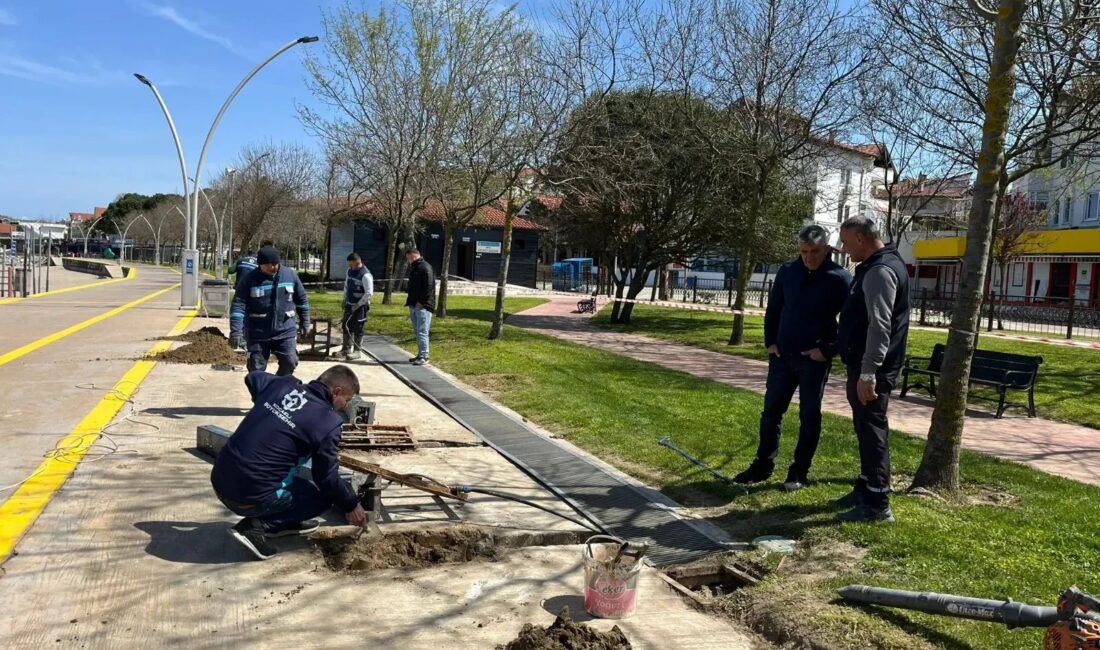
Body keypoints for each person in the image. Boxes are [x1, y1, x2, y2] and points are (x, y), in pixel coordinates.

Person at [733, 224, 852, 491]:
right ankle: (762, 464)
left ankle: (799, 472)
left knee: (809, 416)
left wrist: (828, 350)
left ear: (827, 249)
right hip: (782, 356)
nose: (809, 257)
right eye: (804, 251)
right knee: (771, 413)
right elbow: (774, 308)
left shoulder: (840, 278)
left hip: (814, 359)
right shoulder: (788, 271)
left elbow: (850, 324)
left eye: (815, 252)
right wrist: (770, 342)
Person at [211, 365, 368, 560]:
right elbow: (326, 477)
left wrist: (267, 409)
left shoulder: (282, 385)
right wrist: (351, 504)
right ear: (336, 392)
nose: (345, 406)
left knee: (299, 486)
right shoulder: (327, 423)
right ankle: (255, 527)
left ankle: (284, 523)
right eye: (347, 400)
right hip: (248, 497)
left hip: (219, 479)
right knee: (322, 497)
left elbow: (253, 377)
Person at [833, 216, 910, 523]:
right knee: (864, 428)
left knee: (872, 430)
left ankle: (878, 502)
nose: (844, 248)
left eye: (847, 242)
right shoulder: (880, 262)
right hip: (865, 362)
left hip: (874, 368)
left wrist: (869, 373)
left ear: (862, 240)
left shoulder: (879, 271)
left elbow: (880, 325)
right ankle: (866, 485)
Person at [229, 245, 310, 376]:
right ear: (259, 264)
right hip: (258, 333)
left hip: (285, 330)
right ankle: (261, 394)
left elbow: (302, 301)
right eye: (268, 265)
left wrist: (305, 322)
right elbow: (238, 306)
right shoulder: (249, 279)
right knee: (256, 370)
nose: (272, 267)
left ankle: (278, 388)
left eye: (275, 264)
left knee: (290, 361)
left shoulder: (290, 276)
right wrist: (236, 332)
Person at [404, 248, 435, 366]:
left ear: (413, 256)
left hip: (423, 306)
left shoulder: (425, 267)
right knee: (418, 331)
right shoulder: (415, 267)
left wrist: (421, 302)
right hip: (413, 303)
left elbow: (429, 286)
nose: (408, 261)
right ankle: (420, 353)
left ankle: (424, 356)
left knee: (422, 331)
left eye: (408, 258)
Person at [341, 253, 373, 360]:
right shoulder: (349, 271)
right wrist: (345, 298)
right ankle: (345, 349)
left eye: (351, 265)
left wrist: (358, 304)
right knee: (346, 325)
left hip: (361, 306)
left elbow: (369, 293)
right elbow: (346, 285)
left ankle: (357, 351)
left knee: (358, 327)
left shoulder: (366, 275)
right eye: (349, 265)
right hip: (349, 303)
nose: (350, 267)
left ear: (358, 263)